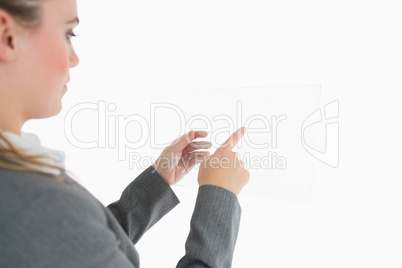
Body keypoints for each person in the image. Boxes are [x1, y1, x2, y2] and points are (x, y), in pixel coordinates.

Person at [0, 0, 250, 267]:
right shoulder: (34, 199)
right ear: (8, 36)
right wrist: (218, 196)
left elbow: (69, 249)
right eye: (68, 34)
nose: (75, 59)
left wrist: (157, 184)